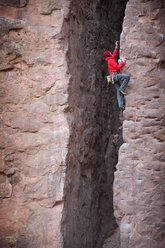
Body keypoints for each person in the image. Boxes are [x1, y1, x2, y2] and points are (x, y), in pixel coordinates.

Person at [104, 41, 130, 109]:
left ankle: (121, 105)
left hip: (113, 77)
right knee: (127, 77)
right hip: (115, 76)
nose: (110, 52)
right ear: (108, 54)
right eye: (109, 52)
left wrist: (116, 47)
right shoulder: (111, 60)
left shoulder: (109, 59)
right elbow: (117, 67)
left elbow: (114, 55)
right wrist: (123, 62)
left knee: (118, 91)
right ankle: (122, 88)